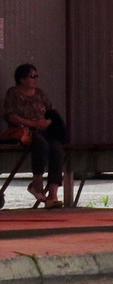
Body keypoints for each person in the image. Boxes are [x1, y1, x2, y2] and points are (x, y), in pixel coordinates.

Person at [3, 63, 65, 208]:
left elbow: (51, 112)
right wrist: (31, 122)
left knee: (56, 148)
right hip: (25, 131)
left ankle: (53, 194)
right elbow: (10, 115)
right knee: (41, 144)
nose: (35, 79)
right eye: (32, 76)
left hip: (43, 129)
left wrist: (46, 122)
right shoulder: (13, 93)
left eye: (36, 76)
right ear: (22, 79)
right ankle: (37, 182)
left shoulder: (40, 93)